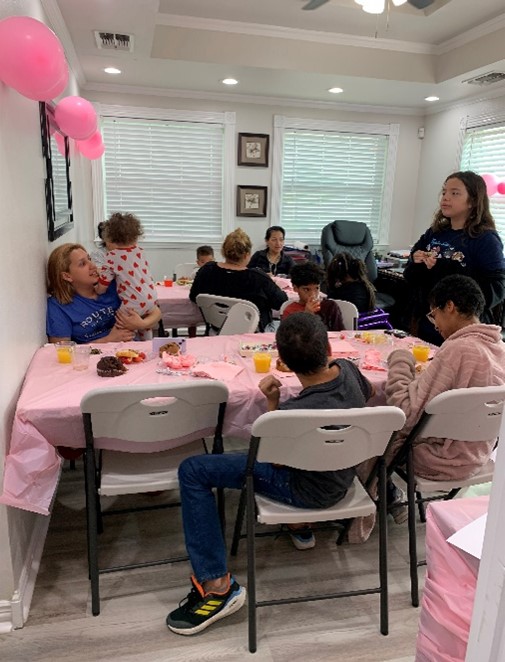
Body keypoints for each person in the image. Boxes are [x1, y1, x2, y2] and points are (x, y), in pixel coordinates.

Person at [166, 313, 374, 636]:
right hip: (345, 479)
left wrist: (273, 403)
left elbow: (274, 459)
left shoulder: (292, 415)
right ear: (330, 347)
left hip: (305, 490)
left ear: (284, 365)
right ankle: (299, 527)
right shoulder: (349, 370)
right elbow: (368, 396)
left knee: (193, 470)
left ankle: (218, 586)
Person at [349, 274, 505, 544]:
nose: (436, 325)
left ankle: (370, 502)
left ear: (450, 307)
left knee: (369, 434)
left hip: (441, 459)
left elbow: (407, 416)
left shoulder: (457, 350)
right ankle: (392, 499)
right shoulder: (499, 347)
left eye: (435, 315)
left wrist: (400, 363)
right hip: (479, 453)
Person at [403, 171, 505, 345]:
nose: (445, 198)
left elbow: (498, 287)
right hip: (430, 322)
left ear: (473, 200)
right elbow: (410, 275)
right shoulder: (434, 233)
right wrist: (417, 261)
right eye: (444, 192)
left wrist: (451, 273)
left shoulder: (485, 239)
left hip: (463, 330)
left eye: (455, 193)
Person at [46, 243, 160, 344]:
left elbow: (156, 312)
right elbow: (60, 350)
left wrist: (141, 324)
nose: (93, 265)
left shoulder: (111, 284)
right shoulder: (59, 306)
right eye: (82, 264)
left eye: (89, 259)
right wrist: (107, 340)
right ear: (67, 276)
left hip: (131, 350)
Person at [189, 228, 287, 331]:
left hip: (218, 329)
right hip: (254, 332)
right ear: (247, 255)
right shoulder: (258, 277)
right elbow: (281, 303)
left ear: (223, 251)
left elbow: (193, 296)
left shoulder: (206, 270)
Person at [95, 212, 159, 340]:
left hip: (133, 301)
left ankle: (121, 348)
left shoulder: (112, 256)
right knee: (144, 327)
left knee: (121, 326)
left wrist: (97, 289)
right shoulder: (140, 251)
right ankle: (147, 343)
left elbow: (103, 284)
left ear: (110, 238)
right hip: (151, 297)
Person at [281, 262, 344, 331]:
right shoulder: (290, 311)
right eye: (306, 289)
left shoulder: (330, 307)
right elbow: (290, 338)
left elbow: (340, 333)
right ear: (295, 288)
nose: (313, 294)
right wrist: (307, 314)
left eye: (317, 288)